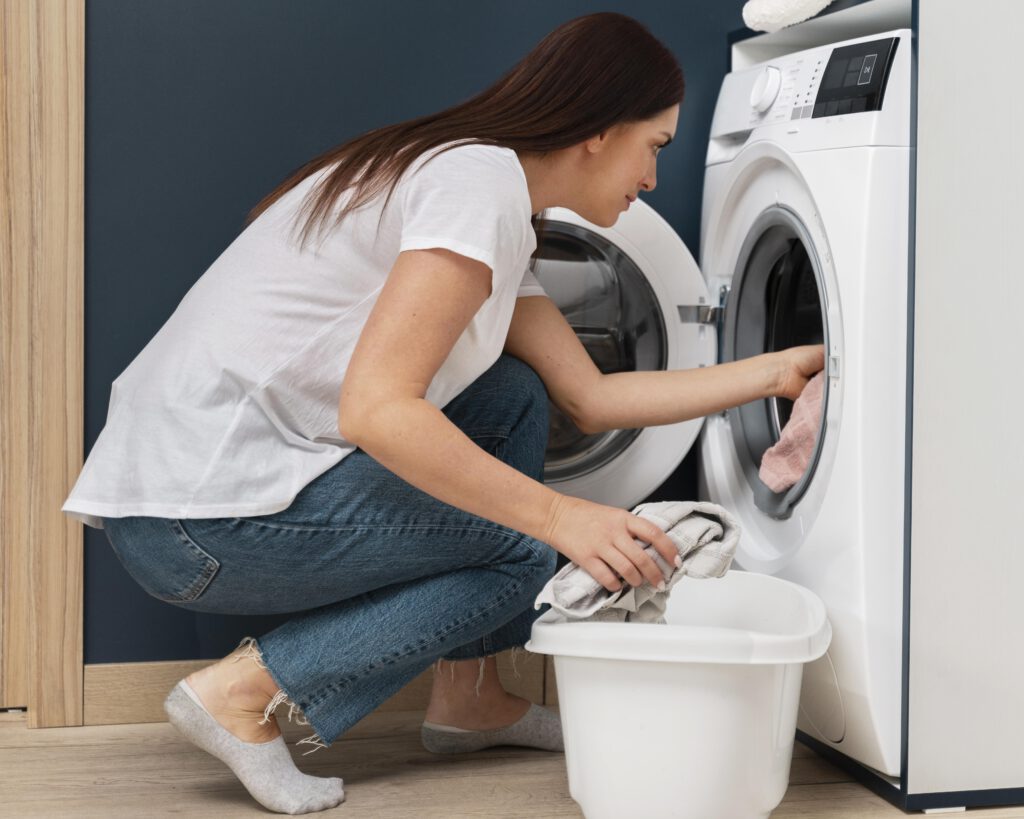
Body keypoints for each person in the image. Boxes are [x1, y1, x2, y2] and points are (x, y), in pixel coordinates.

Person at [62, 11, 824, 815]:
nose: (652, 179)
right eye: (656, 146)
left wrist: (775, 371)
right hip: (192, 522)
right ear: (600, 129)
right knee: (528, 552)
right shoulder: (475, 186)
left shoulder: (487, 198)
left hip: (197, 495)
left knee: (511, 394)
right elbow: (378, 411)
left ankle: (471, 697)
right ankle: (244, 692)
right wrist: (561, 518)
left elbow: (588, 398)